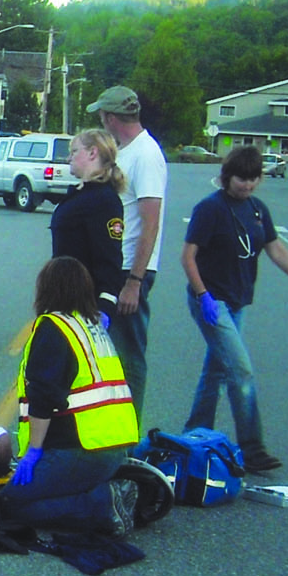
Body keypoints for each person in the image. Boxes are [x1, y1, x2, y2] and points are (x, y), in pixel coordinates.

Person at [180, 145, 288, 473]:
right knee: (241, 370)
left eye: (253, 179)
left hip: (237, 301)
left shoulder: (258, 210)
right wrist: (203, 296)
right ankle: (253, 447)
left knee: (216, 370)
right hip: (212, 301)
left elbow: (275, 249)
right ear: (227, 176)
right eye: (240, 179)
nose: (246, 185)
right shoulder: (210, 209)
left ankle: (193, 433)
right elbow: (188, 256)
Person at [3, 256, 142, 536]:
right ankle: (102, 492)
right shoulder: (92, 326)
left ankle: (101, 505)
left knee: (10, 506)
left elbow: (43, 396)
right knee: (38, 492)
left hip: (81, 451)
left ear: (47, 290)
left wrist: (33, 452)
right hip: (114, 449)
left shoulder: (53, 327)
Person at [88, 85, 166, 422]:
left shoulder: (147, 155)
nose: (103, 123)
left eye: (103, 117)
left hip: (131, 272)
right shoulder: (125, 151)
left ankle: (128, 441)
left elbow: (151, 221)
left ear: (112, 117)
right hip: (114, 267)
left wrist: (134, 281)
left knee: (130, 357)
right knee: (108, 355)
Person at [49, 127, 128, 323]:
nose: (69, 158)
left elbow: (109, 257)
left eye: (74, 151)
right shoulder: (81, 195)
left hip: (84, 303)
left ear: (93, 153)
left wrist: (105, 306)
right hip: (64, 297)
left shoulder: (103, 200)